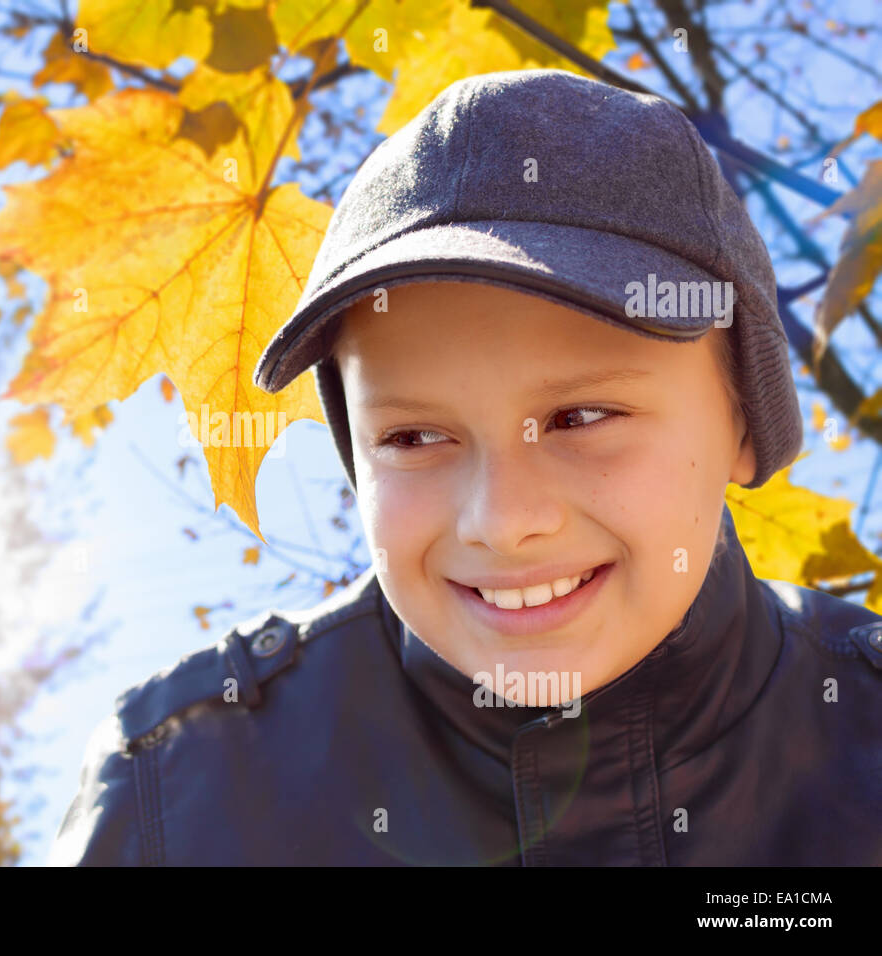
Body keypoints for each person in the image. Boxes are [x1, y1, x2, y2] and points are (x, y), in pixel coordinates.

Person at [49, 69, 882, 866]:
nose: (501, 520)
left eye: (582, 418)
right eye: (413, 438)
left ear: (745, 425)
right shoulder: (178, 790)